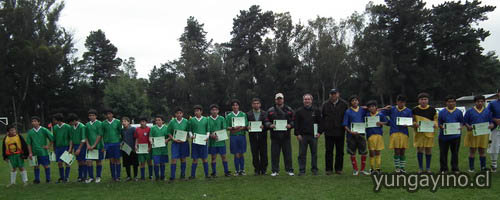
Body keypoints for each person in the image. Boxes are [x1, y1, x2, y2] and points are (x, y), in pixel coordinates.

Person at [266, 93, 295, 177]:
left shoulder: (289, 109)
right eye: (278, 99)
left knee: (288, 154)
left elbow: (294, 120)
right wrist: (269, 125)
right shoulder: (270, 110)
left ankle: (289, 170)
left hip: (286, 136)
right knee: (274, 154)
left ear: (283, 99)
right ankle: (275, 171)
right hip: (275, 136)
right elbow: (266, 120)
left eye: (281, 98)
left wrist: (290, 125)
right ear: (275, 100)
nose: (279, 100)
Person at [382, 95, 413, 173]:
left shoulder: (408, 111)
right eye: (399, 102)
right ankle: (397, 168)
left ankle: (402, 168)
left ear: (405, 103)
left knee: (403, 151)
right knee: (397, 151)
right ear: (397, 102)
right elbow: (381, 114)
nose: (401, 104)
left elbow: (411, 122)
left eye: (403, 102)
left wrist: (408, 124)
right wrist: (387, 122)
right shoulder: (392, 109)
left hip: (404, 133)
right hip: (394, 132)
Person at [321, 89, 348, 175]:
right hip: (329, 132)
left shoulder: (344, 104)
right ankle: (328, 169)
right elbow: (322, 117)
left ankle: (338, 169)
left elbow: (348, 115)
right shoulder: (325, 104)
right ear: (329, 95)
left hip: (340, 131)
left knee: (340, 151)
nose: (333, 95)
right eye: (331, 94)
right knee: (329, 151)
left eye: (334, 94)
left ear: (338, 94)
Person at [464, 95, 494, 172]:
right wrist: (468, 126)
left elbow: (491, 122)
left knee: (482, 151)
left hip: (483, 134)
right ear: (475, 102)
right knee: (472, 150)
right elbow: (465, 122)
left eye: (481, 101)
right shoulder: (469, 111)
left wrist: (491, 125)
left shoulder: (488, 111)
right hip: (473, 134)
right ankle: (471, 168)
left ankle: (483, 167)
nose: (480, 103)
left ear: (484, 102)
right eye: (478, 101)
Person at [294, 94, 321, 176]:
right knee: (302, 154)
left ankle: (314, 169)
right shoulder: (299, 111)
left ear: (311, 100)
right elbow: (296, 124)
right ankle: (302, 170)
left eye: (308, 99)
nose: (307, 101)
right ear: (303, 101)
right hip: (303, 136)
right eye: (305, 99)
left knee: (314, 154)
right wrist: (297, 134)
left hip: (314, 136)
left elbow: (320, 122)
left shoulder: (316, 110)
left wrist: (319, 132)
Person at [342, 95, 369, 175]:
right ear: (350, 102)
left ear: (358, 101)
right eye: (353, 100)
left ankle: (363, 169)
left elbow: (373, 110)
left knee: (363, 152)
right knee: (352, 152)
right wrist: (350, 132)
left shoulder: (363, 110)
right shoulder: (348, 111)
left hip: (361, 134)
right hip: (351, 135)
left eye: (356, 100)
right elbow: (345, 125)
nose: (354, 102)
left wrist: (367, 107)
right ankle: (355, 170)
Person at [412, 93, 438, 173]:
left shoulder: (432, 110)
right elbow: (411, 120)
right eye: (422, 99)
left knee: (428, 150)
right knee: (419, 150)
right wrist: (414, 124)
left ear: (428, 100)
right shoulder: (414, 110)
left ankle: (428, 168)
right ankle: (420, 168)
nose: (423, 101)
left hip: (429, 134)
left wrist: (435, 125)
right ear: (418, 101)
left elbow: (436, 120)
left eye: (425, 99)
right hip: (419, 134)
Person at [437, 95, 464, 173]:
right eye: (449, 102)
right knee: (443, 153)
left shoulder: (459, 112)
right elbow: (439, 123)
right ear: (446, 103)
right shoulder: (442, 112)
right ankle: (443, 168)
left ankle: (455, 168)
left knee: (455, 153)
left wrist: (461, 127)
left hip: (456, 136)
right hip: (443, 137)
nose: (451, 103)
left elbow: (462, 122)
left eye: (452, 101)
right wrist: (442, 127)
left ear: (455, 102)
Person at [26, 116, 54, 184]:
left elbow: (52, 139)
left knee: (46, 165)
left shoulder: (44, 130)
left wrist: (48, 146)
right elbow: (28, 144)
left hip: (43, 152)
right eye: (32, 121)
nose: (34, 122)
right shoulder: (30, 132)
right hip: (34, 152)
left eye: (35, 121)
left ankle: (48, 179)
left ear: (39, 122)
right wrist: (30, 153)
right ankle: (37, 179)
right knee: (36, 166)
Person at [226, 99, 248, 176]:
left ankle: (242, 170)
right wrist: (233, 128)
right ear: (232, 107)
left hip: (241, 136)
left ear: (238, 106)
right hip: (233, 137)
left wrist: (240, 128)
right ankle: (237, 170)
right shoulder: (229, 116)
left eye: (236, 105)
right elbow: (227, 127)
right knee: (236, 154)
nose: (235, 106)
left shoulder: (243, 114)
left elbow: (246, 125)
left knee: (241, 153)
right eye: (234, 105)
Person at [207, 104, 231, 177]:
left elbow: (224, 128)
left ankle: (226, 171)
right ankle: (214, 172)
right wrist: (211, 135)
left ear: (218, 111)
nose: (214, 111)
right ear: (210, 111)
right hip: (212, 142)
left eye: (216, 110)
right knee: (213, 157)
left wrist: (219, 134)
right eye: (213, 110)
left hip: (221, 141)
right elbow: (207, 130)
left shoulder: (221, 118)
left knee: (224, 156)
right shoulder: (208, 119)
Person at [246, 98, 268, 175]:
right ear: (252, 105)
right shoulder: (248, 114)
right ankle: (257, 170)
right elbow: (246, 125)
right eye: (254, 103)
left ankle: (264, 169)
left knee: (264, 154)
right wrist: (247, 127)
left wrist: (264, 126)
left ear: (260, 104)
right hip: (253, 137)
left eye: (257, 103)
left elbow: (267, 123)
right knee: (255, 154)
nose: (256, 105)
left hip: (263, 137)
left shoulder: (265, 113)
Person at [167, 107, 190, 182]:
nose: (179, 114)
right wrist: (173, 139)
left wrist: (186, 138)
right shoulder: (172, 122)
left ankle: (182, 175)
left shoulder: (186, 121)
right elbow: (169, 132)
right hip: (175, 143)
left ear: (182, 114)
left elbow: (189, 132)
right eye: (177, 113)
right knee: (174, 159)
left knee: (183, 159)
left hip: (184, 143)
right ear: (175, 114)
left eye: (180, 113)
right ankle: (172, 176)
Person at [365, 100, 387, 174]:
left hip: (379, 135)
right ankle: (372, 168)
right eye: (370, 107)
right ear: (368, 108)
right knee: (371, 152)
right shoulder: (367, 115)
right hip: (370, 136)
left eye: (373, 106)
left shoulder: (380, 115)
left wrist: (381, 123)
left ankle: (378, 168)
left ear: (376, 107)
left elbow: (387, 122)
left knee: (378, 152)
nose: (371, 108)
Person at [188, 105, 210, 179]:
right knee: (195, 159)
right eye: (195, 111)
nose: (196, 112)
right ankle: (192, 175)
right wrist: (191, 136)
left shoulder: (206, 119)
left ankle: (207, 174)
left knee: (204, 158)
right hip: (195, 142)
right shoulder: (191, 120)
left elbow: (208, 130)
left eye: (198, 111)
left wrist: (207, 137)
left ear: (201, 111)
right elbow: (190, 130)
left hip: (203, 141)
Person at [102, 109, 122, 181]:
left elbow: (121, 132)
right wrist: (104, 145)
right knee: (111, 160)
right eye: (107, 114)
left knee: (117, 159)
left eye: (110, 114)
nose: (108, 115)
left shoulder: (118, 122)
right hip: (108, 144)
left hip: (116, 143)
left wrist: (121, 142)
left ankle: (118, 176)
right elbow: (102, 134)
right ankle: (113, 176)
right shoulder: (103, 123)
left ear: (112, 114)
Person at [85, 109, 104, 183]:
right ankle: (91, 177)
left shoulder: (99, 123)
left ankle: (98, 177)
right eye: (90, 115)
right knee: (89, 161)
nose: (91, 117)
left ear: (96, 116)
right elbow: (85, 136)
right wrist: (88, 145)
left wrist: (94, 145)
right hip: (89, 147)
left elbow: (100, 135)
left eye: (93, 115)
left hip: (98, 146)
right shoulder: (87, 124)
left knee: (98, 161)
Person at [52, 113, 73, 183]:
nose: (54, 121)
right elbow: (54, 139)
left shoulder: (68, 127)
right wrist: (54, 148)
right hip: (58, 147)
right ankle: (62, 177)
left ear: (58, 120)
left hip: (66, 147)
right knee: (59, 163)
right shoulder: (55, 127)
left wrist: (70, 148)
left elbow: (71, 138)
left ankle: (66, 177)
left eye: (55, 120)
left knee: (67, 162)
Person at [67, 113, 87, 182]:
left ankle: (84, 176)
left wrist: (79, 149)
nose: (70, 124)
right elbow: (71, 139)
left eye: (71, 122)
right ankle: (80, 176)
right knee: (79, 161)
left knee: (83, 161)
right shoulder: (71, 127)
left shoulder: (82, 127)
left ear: (75, 120)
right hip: (75, 146)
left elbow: (83, 139)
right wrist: (70, 149)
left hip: (82, 146)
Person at [150, 115, 169, 181]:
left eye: (159, 120)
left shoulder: (166, 128)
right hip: (155, 149)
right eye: (156, 120)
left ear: (162, 121)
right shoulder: (153, 128)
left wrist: (167, 139)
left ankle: (162, 176)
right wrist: (151, 141)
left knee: (162, 162)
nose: (157, 121)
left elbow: (170, 136)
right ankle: (157, 176)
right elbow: (150, 137)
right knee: (156, 163)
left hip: (163, 148)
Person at [121, 117, 138, 181]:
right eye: (122, 121)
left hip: (133, 148)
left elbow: (136, 138)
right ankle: (128, 176)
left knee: (135, 163)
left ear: (128, 122)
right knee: (127, 163)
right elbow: (122, 138)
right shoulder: (122, 130)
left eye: (125, 121)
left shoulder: (133, 129)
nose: (123, 123)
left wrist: (135, 146)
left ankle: (135, 176)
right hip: (125, 148)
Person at [487, 89, 500, 172]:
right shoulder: (492, 104)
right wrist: (494, 119)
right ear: (498, 93)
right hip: (496, 128)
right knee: (494, 146)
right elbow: (487, 114)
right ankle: (494, 164)